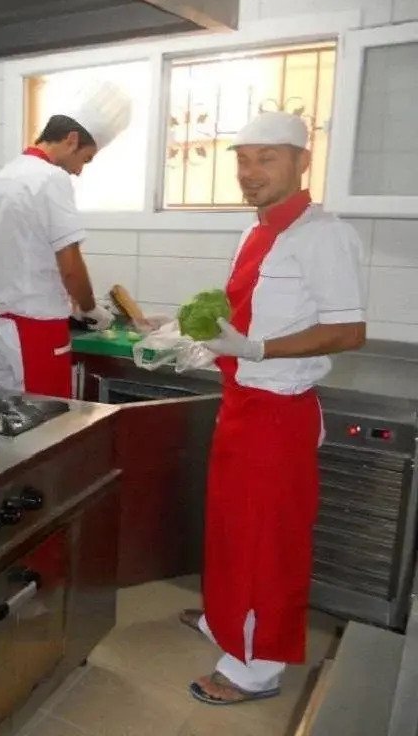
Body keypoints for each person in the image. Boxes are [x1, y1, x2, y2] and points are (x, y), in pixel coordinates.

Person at [181, 111, 367, 705]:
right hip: (240, 403)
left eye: (267, 158)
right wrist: (196, 337)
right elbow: (245, 313)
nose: (250, 171)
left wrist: (258, 350)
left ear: (302, 162)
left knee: (267, 542)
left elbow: (348, 331)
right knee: (232, 530)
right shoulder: (256, 231)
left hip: (278, 414)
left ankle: (255, 667)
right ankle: (227, 622)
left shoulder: (324, 235)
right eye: (242, 159)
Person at [0, 81, 132, 397]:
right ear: (71, 139)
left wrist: (70, 302)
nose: (79, 171)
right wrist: (91, 309)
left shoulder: (3, 177)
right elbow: (71, 265)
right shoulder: (51, 178)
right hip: (36, 332)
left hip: (3, 329)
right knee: (46, 419)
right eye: (85, 159)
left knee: (7, 416)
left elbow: (24, 255)